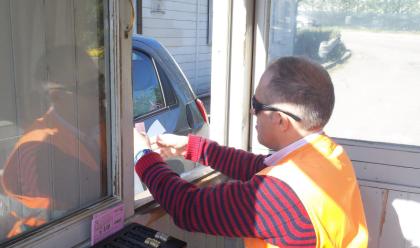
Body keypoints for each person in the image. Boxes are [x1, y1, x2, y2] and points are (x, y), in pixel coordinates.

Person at [134, 56, 368, 247]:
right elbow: (259, 166)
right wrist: (192, 148)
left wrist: (143, 156)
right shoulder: (330, 155)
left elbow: (187, 208)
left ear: (281, 120)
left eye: (256, 105)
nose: (250, 111)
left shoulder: (281, 196)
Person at [1, 46, 107, 238]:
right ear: (56, 96)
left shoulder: (99, 124)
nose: (102, 93)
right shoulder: (37, 152)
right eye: (91, 87)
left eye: (101, 82)